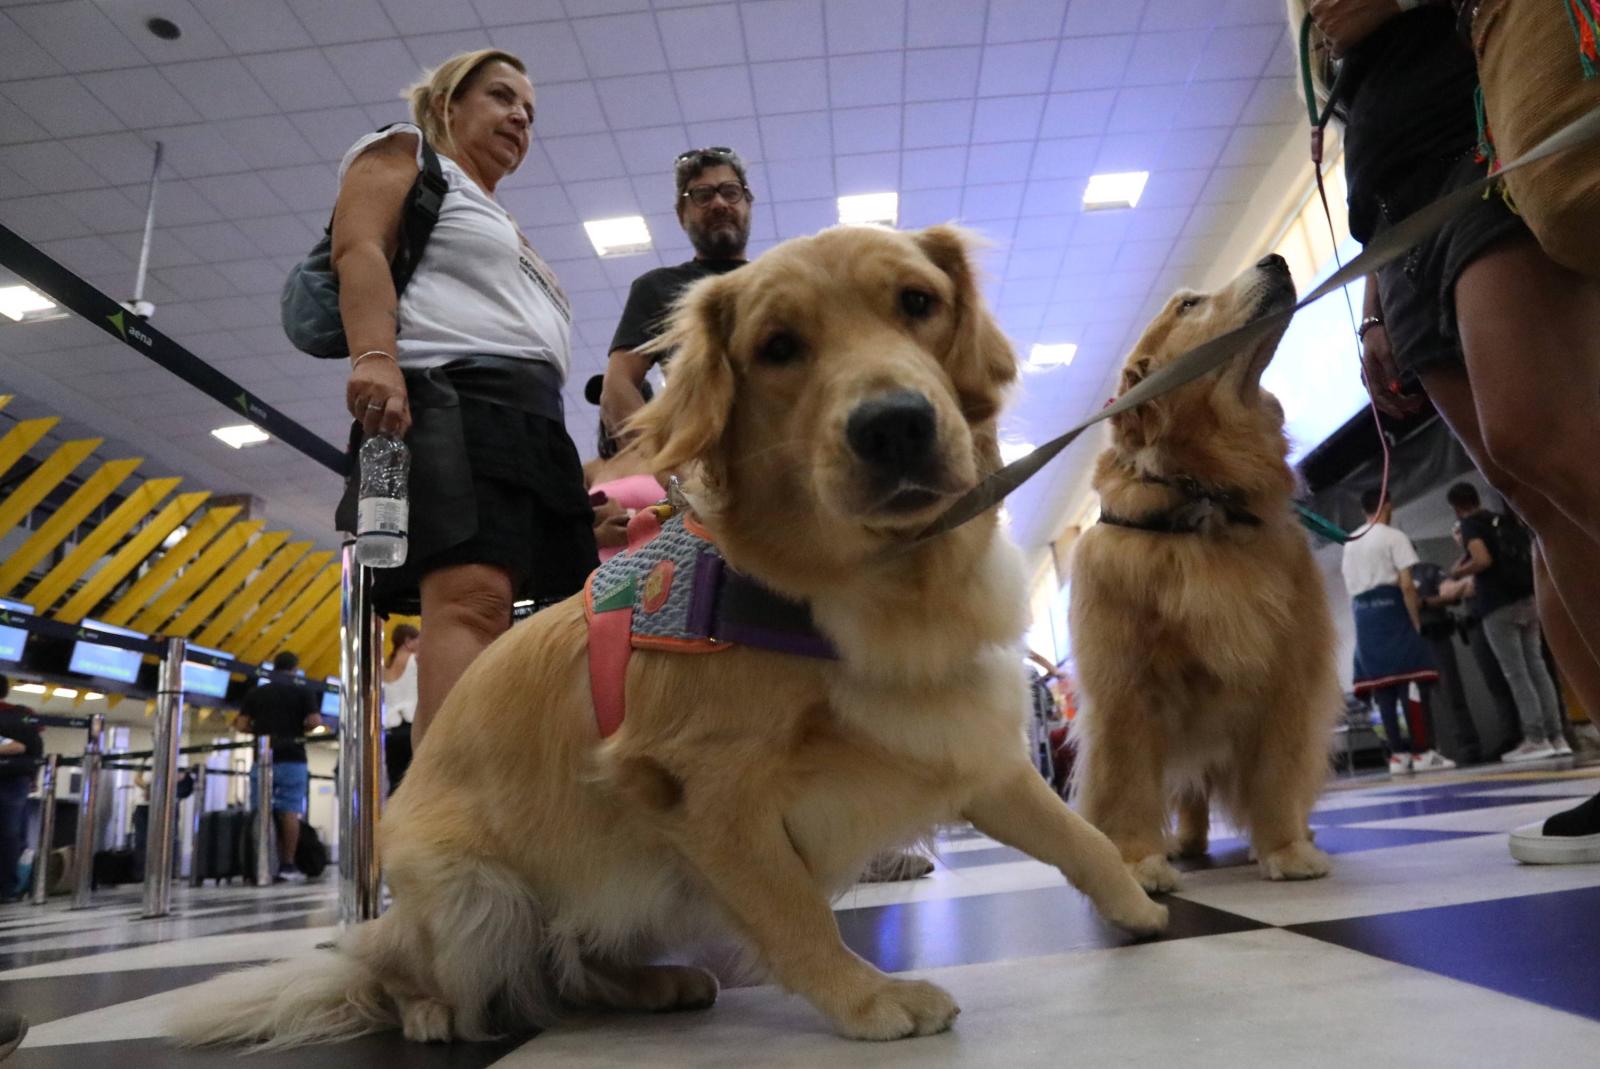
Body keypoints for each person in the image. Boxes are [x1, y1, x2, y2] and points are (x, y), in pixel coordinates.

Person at [1301, 0, 1600, 857]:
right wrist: (1370, 310)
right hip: (1395, 219)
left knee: (1545, 444)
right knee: (1530, 492)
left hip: (1480, 150)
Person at [332, 48, 597, 747]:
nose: (520, 117)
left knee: (554, 627)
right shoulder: (407, 154)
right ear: (449, 103)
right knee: (473, 602)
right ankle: (444, 833)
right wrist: (374, 357)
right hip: (455, 405)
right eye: (502, 98)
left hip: (535, 424)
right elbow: (358, 248)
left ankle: (517, 820)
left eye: (530, 113)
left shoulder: (503, 221)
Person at [599, 147, 754, 446]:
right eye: (702, 195)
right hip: (708, 465)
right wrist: (670, 470)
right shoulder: (658, 288)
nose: (719, 203)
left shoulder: (777, 283)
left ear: (748, 203)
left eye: (730, 192)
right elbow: (616, 387)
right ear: (682, 214)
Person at [1446, 482, 1569, 762]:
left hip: (1498, 606)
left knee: (1516, 672)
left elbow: (1482, 559)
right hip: (1527, 599)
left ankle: (1535, 738)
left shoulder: (1470, 525)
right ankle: (1556, 736)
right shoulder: (1499, 518)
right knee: (1538, 667)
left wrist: (1458, 570)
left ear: (1456, 506)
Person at [1341, 489, 1455, 773]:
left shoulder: (1350, 542)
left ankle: (1397, 756)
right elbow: (1406, 584)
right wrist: (1414, 620)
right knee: (1413, 680)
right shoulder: (1394, 537)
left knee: (1383, 688)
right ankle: (1423, 752)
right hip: (1392, 610)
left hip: (1364, 617)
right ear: (1386, 505)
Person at [235, 652, 323, 880]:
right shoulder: (303, 690)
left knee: (260, 811)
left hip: (263, 759)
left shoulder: (257, 692)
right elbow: (315, 721)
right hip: (293, 758)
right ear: (295, 668)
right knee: (290, 812)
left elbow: (242, 724)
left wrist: (262, 731)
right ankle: (287, 865)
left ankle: (260, 862)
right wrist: (298, 729)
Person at [0, 675, 43, 903]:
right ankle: (7, 888)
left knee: (10, 835)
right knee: (10, 835)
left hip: (13, 780)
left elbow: (21, 747)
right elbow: (35, 747)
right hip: (18, 780)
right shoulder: (24, 714)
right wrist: (33, 777)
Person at [382, 624, 420, 794]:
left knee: (394, 783)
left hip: (391, 731)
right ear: (407, 641)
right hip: (412, 726)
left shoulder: (385, 667)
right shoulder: (415, 661)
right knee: (415, 783)